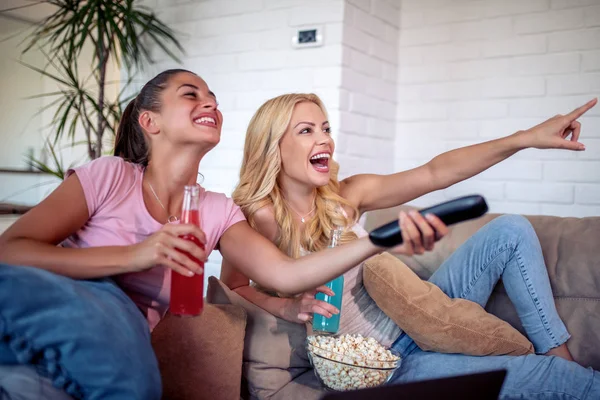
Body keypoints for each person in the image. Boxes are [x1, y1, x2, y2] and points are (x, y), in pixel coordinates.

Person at [0, 70, 393, 400]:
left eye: (213, 98)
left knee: (116, 385)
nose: (210, 103)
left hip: (120, 336)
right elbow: (9, 251)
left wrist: (378, 240)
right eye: (191, 95)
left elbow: (287, 275)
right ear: (149, 122)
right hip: (66, 297)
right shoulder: (109, 176)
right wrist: (136, 255)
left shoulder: (218, 211)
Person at [221, 92, 600, 398]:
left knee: (511, 230)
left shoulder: (346, 195)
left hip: (418, 312)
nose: (325, 139)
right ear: (274, 146)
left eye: (325, 128)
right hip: (391, 363)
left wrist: (525, 139)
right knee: (556, 380)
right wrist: (285, 307)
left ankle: (557, 349)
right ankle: (563, 373)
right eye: (306, 131)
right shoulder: (259, 218)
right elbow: (234, 286)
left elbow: (435, 172)